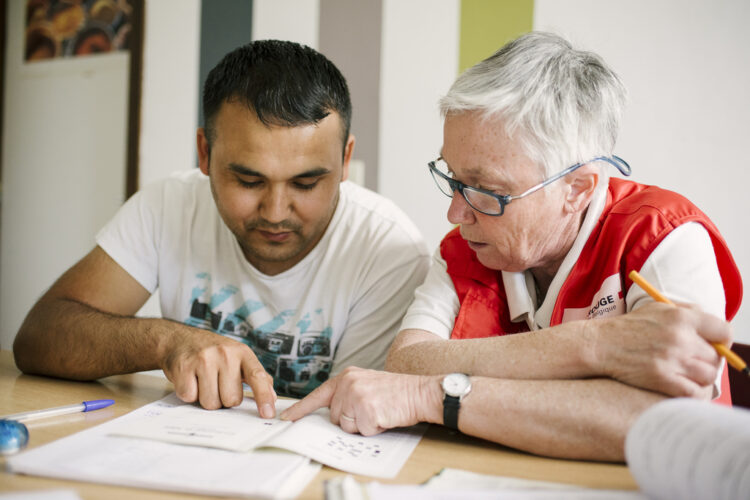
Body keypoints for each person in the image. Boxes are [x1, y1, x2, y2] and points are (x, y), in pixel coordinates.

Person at [281, 32, 742, 461]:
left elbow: (666, 420)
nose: (456, 214)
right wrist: (598, 346)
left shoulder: (665, 238)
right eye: (453, 179)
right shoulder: (469, 248)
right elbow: (407, 363)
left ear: (577, 190)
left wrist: (437, 395)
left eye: (486, 191)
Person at [13, 40, 430, 417]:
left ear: (345, 160)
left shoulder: (387, 249)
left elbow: (351, 418)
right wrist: (165, 341)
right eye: (249, 181)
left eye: (305, 184)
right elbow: (38, 337)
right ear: (205, 153)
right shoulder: (168, 206)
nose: (275, 212)